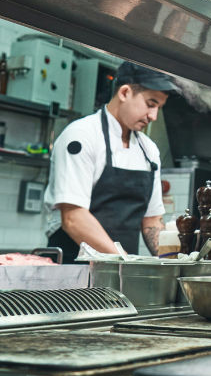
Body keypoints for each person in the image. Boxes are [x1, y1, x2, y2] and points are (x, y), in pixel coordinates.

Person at [44, 62, 179, 263]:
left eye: (159, 107)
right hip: (73, 270)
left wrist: (175, 263)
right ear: (124, 93)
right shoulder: (82, 136)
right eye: (150, 104)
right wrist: (125, 263)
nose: (153, 116)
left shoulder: (149, 150)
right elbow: (74, 219)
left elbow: (152, 221)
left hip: (120, 273)